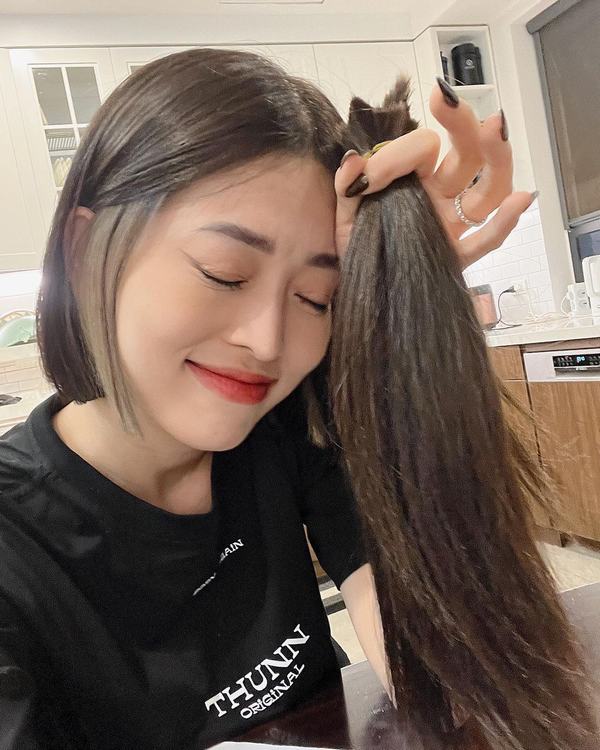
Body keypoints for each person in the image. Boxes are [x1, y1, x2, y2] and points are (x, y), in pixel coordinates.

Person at [0, 48, 534, 749]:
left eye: (316, 297)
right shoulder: (17, 545)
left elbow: (448, 681)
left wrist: (401, 290)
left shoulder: (286, 425)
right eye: (224, 274)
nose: (268, 341)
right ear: (85, 247)